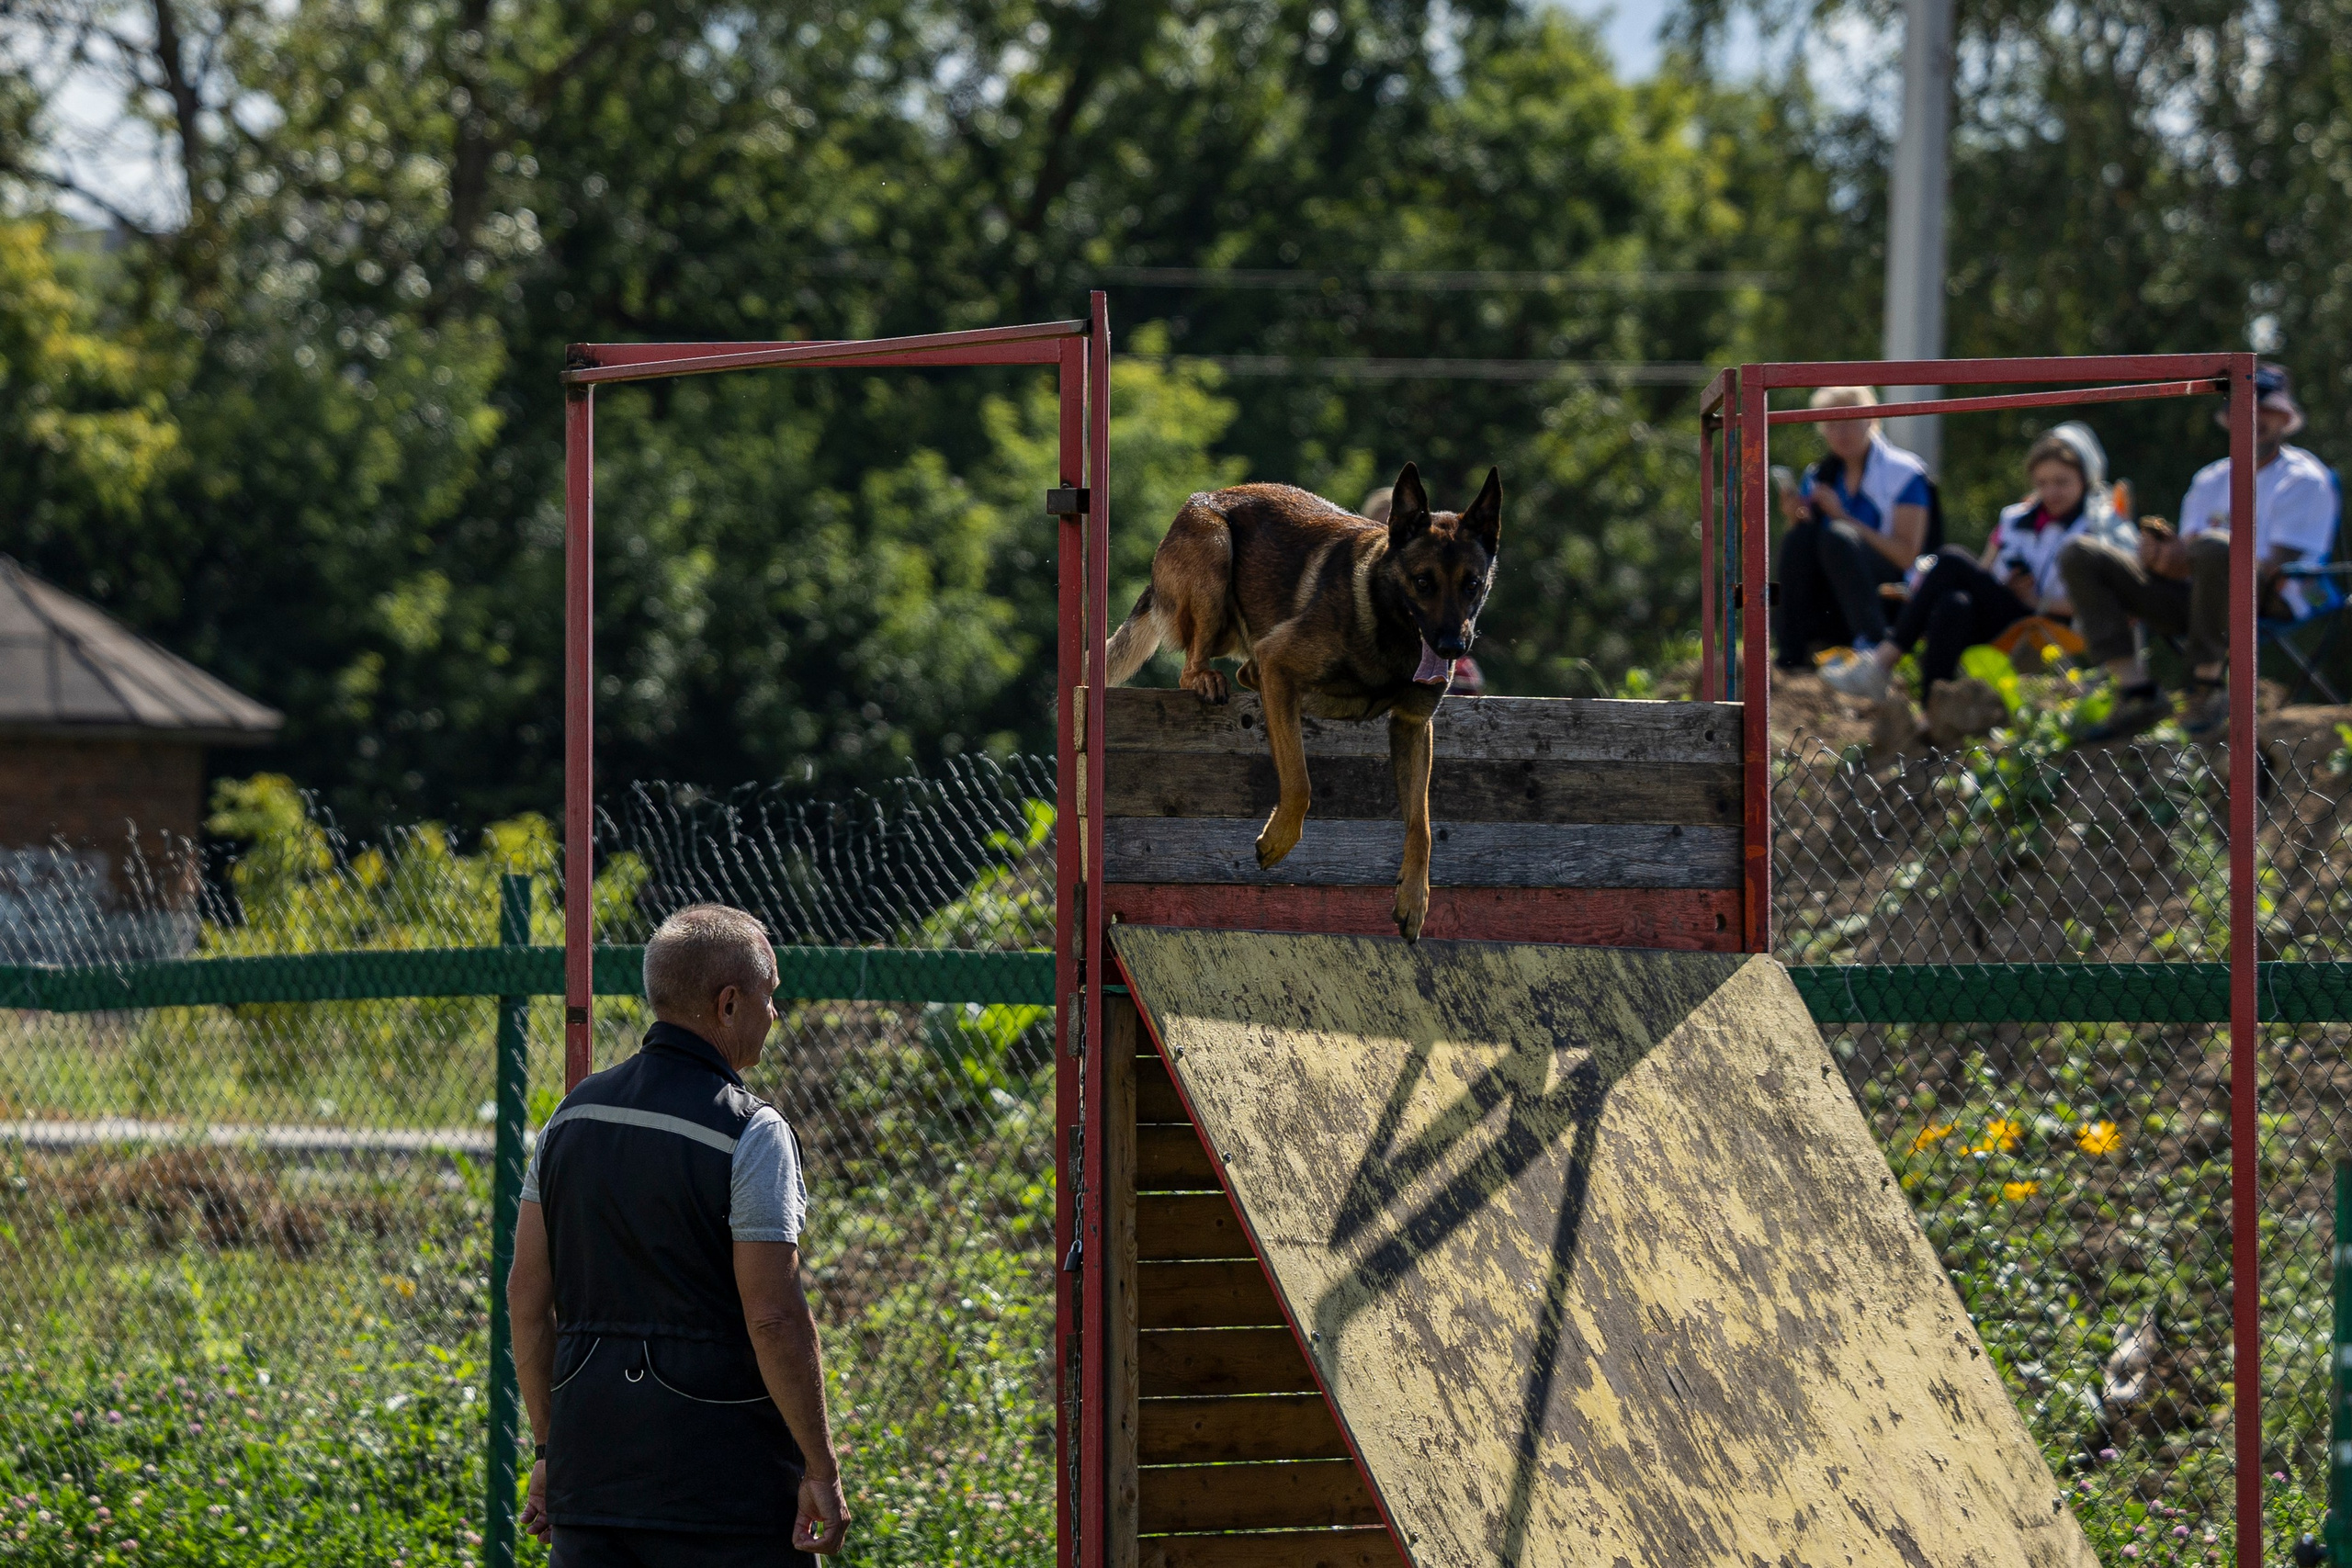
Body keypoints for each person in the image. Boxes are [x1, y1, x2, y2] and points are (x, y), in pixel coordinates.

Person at [508, 903, 850, 1566]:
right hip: (723, 1494)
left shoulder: (568, 1118)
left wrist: (552, 1451)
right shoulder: (751, 1131)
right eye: (769, 994)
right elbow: (775, 1317)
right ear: (728, 1004)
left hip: (591, 1484)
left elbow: (526, 1296)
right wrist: (821, 1469)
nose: (774, 1013)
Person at [2058, 362, 2338, 738]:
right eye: (2244, 409)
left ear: (2286, 418)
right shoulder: (2210, 479)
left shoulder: (2304, 479)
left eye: (2265, 410)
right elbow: (2189, 554)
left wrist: (2191, 557)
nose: (2254, 419)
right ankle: (2135, 690)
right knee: (2080, 553)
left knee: (2214, 547)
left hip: (2274, 595)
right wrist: (2162, 559)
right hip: (2199, 594)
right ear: (2228, 417)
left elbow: (2276, 566)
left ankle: (2206, 687)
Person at [1821, 423, 2129, 704]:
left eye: (2062, 482)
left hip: (2049, 619)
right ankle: (1933, 709)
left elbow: (2104, 602)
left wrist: (2036, 599)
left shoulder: (2098, 527)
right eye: (2043, 483)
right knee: (1954, 603)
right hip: (2006, 611)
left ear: (2085, 479)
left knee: (1951, 558)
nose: (2051, 492)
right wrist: (2004, 585)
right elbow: (1986, 570)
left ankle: (1881, 662)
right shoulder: (2014, 518)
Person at [1771, 386, 1936, 670]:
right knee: (1798, 538)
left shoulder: (1905, 472)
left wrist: (1843, 518)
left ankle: (1874, 645)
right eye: (1831, 423)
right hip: (1833, 602)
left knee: (1838, 537)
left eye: (1849, 420)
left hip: (1891, 598)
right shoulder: (1818, 475)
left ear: (1871, 420)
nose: (1840, 432)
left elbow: (1907, 556)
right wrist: (1795, 518)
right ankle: (1791, 651)